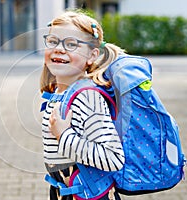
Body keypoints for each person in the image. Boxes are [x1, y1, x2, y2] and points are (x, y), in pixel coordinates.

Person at [40, 11, 125, 200]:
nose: (59, 49)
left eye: (71, 44)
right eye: (53, 41)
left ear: (92, 55)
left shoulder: (87, 97)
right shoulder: (59, 93)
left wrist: (63, 135)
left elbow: (113, 158)